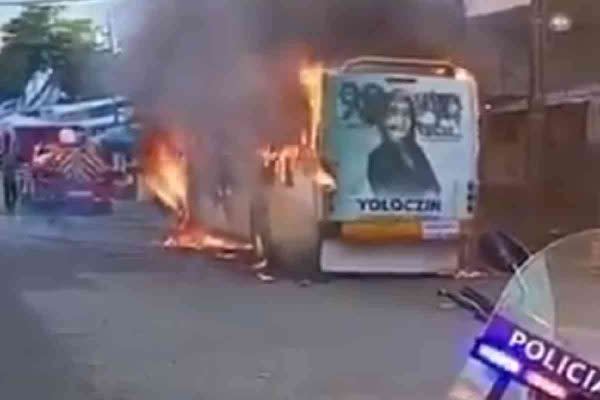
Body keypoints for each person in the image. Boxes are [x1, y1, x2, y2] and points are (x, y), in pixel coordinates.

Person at [367, 91, 441, 197]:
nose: (401, 120)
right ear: (383, 119)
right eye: (394, 113)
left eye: (406, 113)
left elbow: (435, 189)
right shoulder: (377, 158)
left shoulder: (416, 151)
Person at [1, 129, 19, 213]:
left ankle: (11, 205)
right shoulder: (5, 147)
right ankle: (9, 205)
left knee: (11, 187)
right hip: (7, 168)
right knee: (8, 187)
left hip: (10, 168)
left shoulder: (12, 146)